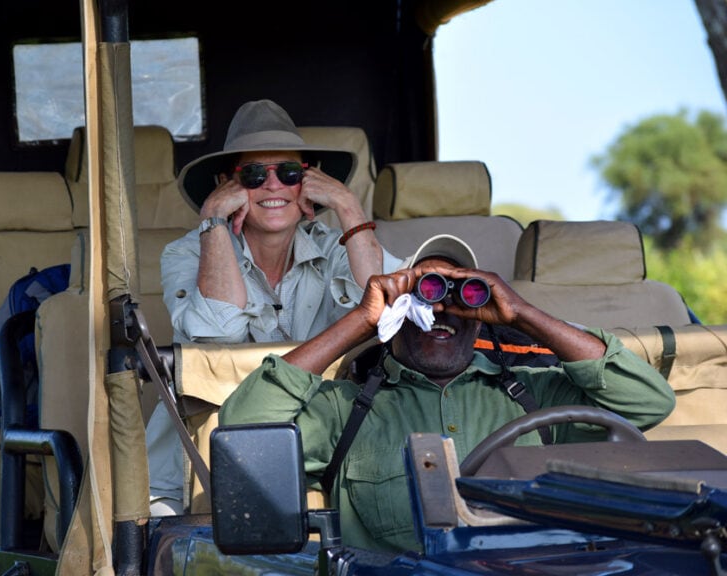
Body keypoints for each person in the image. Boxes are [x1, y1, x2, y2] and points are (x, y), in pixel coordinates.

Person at [218, 233, 676, 552]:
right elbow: (243, 428)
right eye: (424, 293)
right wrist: (362, 320)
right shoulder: (346, 410)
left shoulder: (532, 396)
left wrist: (520, 313)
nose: (441, 309)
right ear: (396, 313)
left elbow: (649, 402)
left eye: (461, 295)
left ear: (481, 314)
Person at [147, 99, 402, 514]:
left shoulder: (337, 244)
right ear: (225, 184)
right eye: (252, 175)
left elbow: (386, 311)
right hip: (196, 462)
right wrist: (213, 217)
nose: (272, 186)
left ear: (309, 182)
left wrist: (347, 205)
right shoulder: (187, 253)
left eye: (288, 173)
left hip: (322, 452)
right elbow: (217, 334)